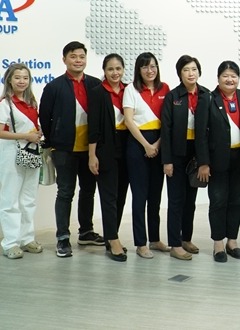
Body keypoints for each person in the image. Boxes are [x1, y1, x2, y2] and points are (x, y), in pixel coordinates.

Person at [39, 41, 103, 258]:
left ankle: (86, 232)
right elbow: (45, 117)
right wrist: (54, 141)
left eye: (82, 56)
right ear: (64, 59)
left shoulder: (95, 84)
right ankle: (63, 238)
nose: (78, 60)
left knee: (88, 190)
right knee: (65, 192)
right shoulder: (54, 87)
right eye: (73, 56)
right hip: (64, 149)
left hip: (90, 149)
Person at [197, 61, 240, 262]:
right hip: (216, 160)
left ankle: (232, 241)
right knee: (218, 201)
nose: (229, 79)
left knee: (236, 201)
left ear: (238, 78)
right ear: (218, 78)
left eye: (233, 76)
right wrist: (203, 163)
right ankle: (218, 243)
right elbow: (200, 134)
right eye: (225, 75)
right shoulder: (207, 99)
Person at [0, 63, 43, 259]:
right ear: (9, 80)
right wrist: (26, 136)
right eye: (17, 77)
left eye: (25, 78)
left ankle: (27, 238)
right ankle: (10, 243)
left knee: (28, 199)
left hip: (31, 154)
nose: (22, 81)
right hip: (11, 155)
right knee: (10, 200)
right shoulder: (4, 104)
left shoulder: (32, 102)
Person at [161, 55, 210, 260]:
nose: (191, 74)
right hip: (176, 154)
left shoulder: (207, 95)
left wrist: (205, 160)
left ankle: (186, 238)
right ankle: (175, 243)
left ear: (199, 72)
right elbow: (166, 129)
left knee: (191, 200)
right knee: (176, 200)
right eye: (186, 70)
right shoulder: (173, 96)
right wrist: (167, 160)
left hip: (197, 154)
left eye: (194, 69)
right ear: (180, 74)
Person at [123, 53, 170, 259]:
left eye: (153, 66)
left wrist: (157, 144)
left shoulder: (165, 89)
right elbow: (129, 120)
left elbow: (168, 120)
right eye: (145, 67)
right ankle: (141, 243)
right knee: (140, 196)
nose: (150, 70)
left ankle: (155, 239)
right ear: (138, 70)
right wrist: (146, 145)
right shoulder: (131, 89)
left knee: (155, 196)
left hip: (159, 143)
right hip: (138, 144)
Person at [88, 54, 131, 262]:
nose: (115, 73)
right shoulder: (97, 92)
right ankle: (113, 240)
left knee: (121, 196)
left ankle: (112, 235)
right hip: (105, 149)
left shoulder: (129, 90)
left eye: (118, 69)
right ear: (104, 71)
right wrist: (92, 155)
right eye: (110, 69)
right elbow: (93, 126)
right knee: (109, 197)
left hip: (127, 147)